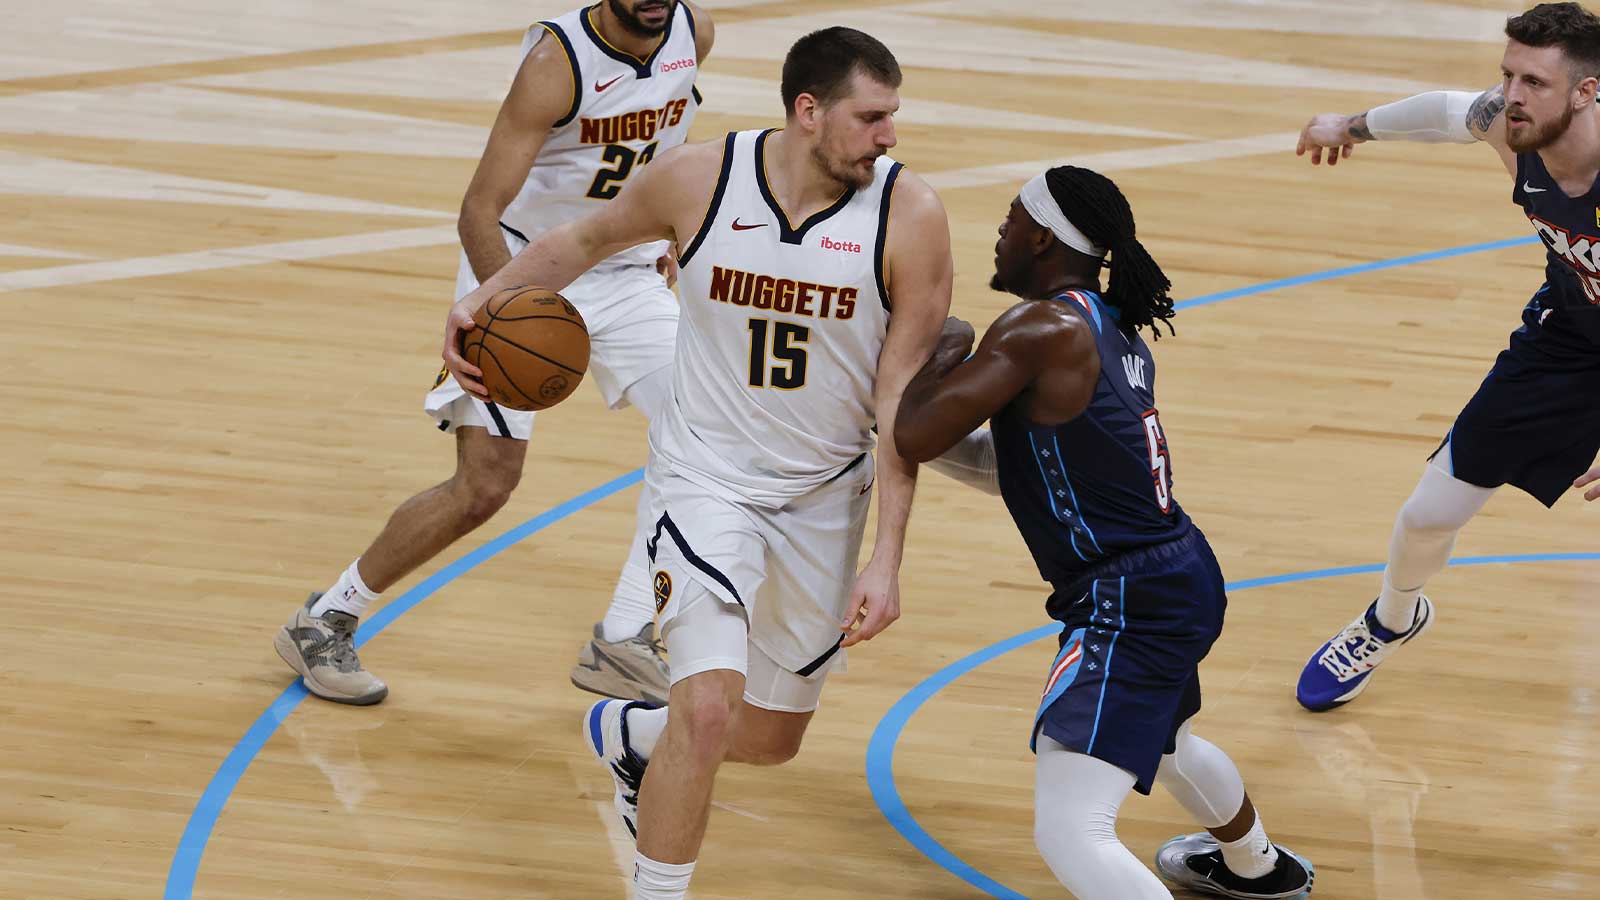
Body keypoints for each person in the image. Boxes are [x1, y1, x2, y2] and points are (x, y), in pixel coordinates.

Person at [440, 26, 951, 900]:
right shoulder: (702, 180)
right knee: (707, 707)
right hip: (704, 481)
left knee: (768, 738)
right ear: (808, 111)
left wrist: (888, 558)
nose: (889, 135)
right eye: (872, 117)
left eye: (892, 117)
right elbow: (582, 241)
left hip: (826, 496)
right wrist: (482, 301)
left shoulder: (913, 217)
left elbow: (901, 405)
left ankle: (631, 740)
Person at [273, 1, 713, 706]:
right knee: (484, 487)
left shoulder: (695, 32)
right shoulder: (556, 62)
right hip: (519, 271)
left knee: (705, 435)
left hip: (622, 272)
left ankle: (624, 638)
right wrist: (503, 306)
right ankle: (325, 618)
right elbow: (478, 207)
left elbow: (671, 143)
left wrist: (669, 227)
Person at [894, 166, 1314, 900]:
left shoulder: (1038, 328)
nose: (1002, 231)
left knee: (1069, 831)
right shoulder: (1104, 327)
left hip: (1127, 601)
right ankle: (1259, 868)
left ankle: (1257, 867)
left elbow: (915, 432)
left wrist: (927, 358)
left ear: (1047, 238)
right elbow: (1015, 470)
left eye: (1013, 217)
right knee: (1171, 745)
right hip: (1174, 575)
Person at [1291, 1, 1600, 712]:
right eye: (1510, 75)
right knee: (1429, 514)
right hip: (1569, 339)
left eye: (1535, 83)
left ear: (1586, 92)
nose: (1513, 97)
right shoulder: (1509, 125)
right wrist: (1351, 126)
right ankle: (1390, 621)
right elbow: (1445, 111)